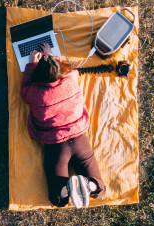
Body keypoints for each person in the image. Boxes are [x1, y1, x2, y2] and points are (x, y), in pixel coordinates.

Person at [20, 42, 105, 208]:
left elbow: (24, 91)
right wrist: (52, 57)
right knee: (100, 190)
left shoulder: (35, 93)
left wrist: (31, 65)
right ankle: (89, 186)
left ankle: (66, 190)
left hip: (55, 145)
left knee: (58, 199)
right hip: (79, 139)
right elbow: (67, 70)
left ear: (38, 78)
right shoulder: (72, 78)